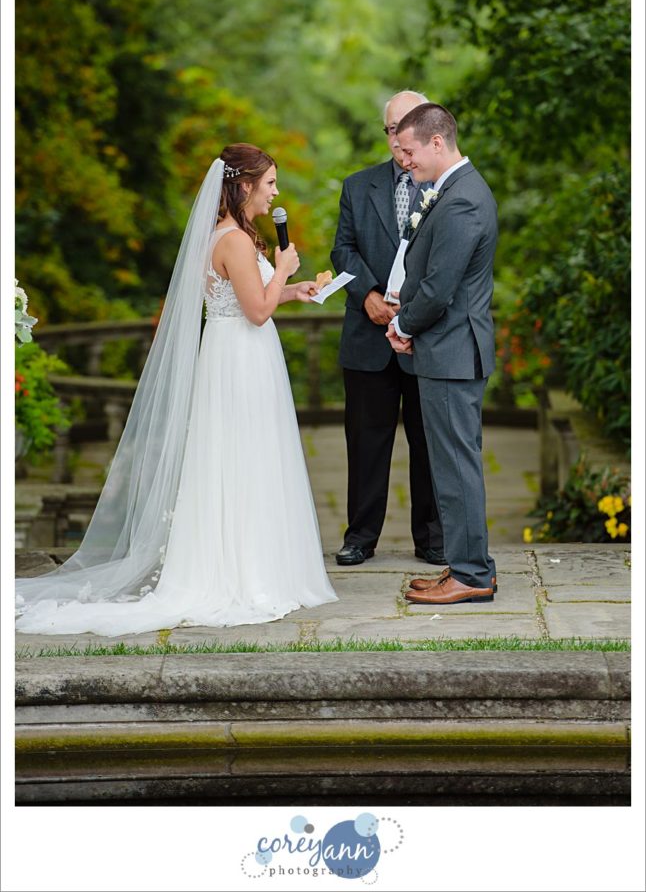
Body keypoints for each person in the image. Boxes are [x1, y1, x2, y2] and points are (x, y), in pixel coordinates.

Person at [16, 144, 337, 635]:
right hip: (240, 357)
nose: (275, 192)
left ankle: (255, 562)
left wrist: (294, 289)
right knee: (241, 457)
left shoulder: (232, 235)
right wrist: (286, 270)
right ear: (245, 185)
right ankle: (242, 574)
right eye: (269, 182)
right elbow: (255, 310)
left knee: (245, 456)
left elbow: (254, 296)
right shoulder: (231, 239)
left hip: (239, 353)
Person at [386, 102, 497, 605]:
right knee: (453, 464)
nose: (403, 160)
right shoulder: (452, 191)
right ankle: (467, 565)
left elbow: (438, 288)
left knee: (455, 465)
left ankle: (471, 574)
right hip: (447, 350)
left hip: (452, 352)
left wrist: (403, 323)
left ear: (436, 142)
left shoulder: (462, 200)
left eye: (408, 150)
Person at [330, 91, 444, 568]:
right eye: (391, 130)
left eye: (406, 128)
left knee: (428, 441)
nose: (398, 139)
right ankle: (360, 536)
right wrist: (370, 296)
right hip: (368, 337)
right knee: (366, 441)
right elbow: (343, 251)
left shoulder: (446, 187)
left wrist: (414, 313)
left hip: (427, 338)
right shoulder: (359, 186)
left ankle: (433, 538)